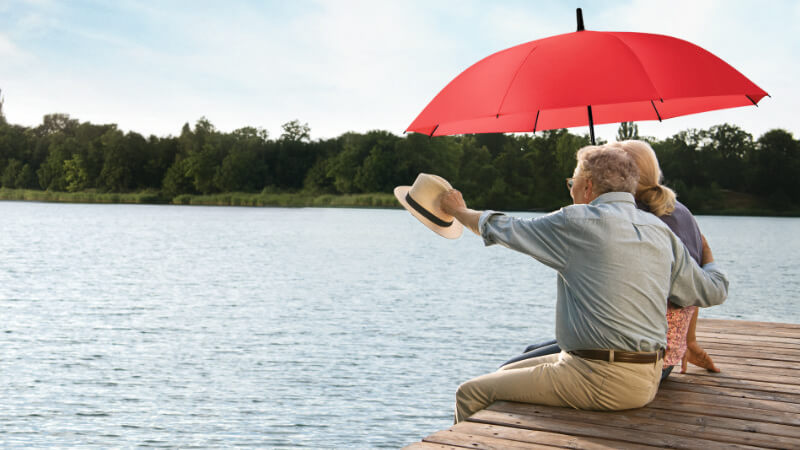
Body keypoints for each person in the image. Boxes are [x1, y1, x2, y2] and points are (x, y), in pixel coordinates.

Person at [439, 145, 728, 423]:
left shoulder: (577, 221)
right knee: (506, 371)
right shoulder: (660, 231)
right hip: (646, 376)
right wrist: (710, 259)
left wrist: (460, 211)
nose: (571, 190)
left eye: (572, 182)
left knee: (470, 392)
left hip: (599, 376)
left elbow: (508, 228)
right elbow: (712, 291)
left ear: (587, 186)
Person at [502, 140, 720, 379]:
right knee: (531, 352)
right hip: (662, 352)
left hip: (635, 354)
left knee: (514, 367)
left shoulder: (635, 220)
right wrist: (689, 341)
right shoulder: (679, 210)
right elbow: (692, 282)